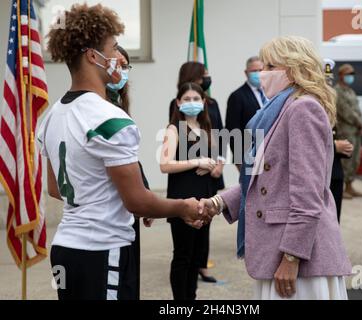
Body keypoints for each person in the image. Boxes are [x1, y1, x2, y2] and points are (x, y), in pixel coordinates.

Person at [38, 3, 207, 300]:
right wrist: (183, 207)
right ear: (93, 56)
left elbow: (55, 188)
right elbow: (138, 202)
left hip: (65, 248)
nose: (118, 57)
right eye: (114, 48)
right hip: (104, 250)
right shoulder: (110, 118)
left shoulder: (52, 116)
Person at [199, 36, 352, 300]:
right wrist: (217, 203)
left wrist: (292, 257)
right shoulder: (279, 110)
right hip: (280, 252)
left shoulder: (302, 109)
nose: (262, 74)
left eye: (269, 67)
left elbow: (308, 193)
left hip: (300, 260)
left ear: (292, 70)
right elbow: (268, 178)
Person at [161, 82, 219, 299]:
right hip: (182, 198)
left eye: (196, 99)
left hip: (205, 198)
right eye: (187, 99)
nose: (192, 103)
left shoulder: (206, 128)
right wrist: (197, 162)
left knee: (197, 256)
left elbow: (212, 160)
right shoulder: (174, 129)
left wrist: (210, 165)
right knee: (183, 255)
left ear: (204, 102)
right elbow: (165, 164)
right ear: (178, 103)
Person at [105, 45, 154, 299]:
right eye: (118, 64)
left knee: (129, 277)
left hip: (129, 205)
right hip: (110, 211)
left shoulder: (119, 102)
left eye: (126, 66)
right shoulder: (97, 107)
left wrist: (143, 192)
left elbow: (131, 158)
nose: (122, 71)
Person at [169, 62, 225, 283]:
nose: (208, 77)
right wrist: (197, 160)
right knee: (185, 242)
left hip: (209, 174)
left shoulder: (213, 105)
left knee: (206, 220)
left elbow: (220, 133)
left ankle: (201, 263)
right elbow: (178, 140)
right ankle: (193, 267)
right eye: (205, 74)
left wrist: (218, 163)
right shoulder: (176, 113)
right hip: (187, 178)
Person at [324, 59, 354, 222]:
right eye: (325, 81)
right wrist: (335, 147)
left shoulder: (329, 102)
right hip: (321, 172)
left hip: (334, 170)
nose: (328, 85)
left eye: (330, 81)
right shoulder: (310, 103)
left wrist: (343, 148)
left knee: (334, 221)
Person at [226, 56, 266, 169]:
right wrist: (239, 160)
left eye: (261, 70)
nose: (258, 74)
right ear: (246, 72)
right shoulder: (237, 96)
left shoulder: (272, 93)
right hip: (250, 156)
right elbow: (233, 129)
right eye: (254, 71)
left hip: (271, 153)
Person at [335, 64, 362, 199]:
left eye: (352, 74)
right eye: (348, 73)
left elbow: (357, 109)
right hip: (345, 130)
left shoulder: (350, 91)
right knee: (345, 160)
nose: (350, 76)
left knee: (355, 159)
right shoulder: (337, 91)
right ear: (341, 75)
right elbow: (346, 112)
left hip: (355, 130)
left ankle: (349, 186)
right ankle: (342, 188)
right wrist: (360, 124)